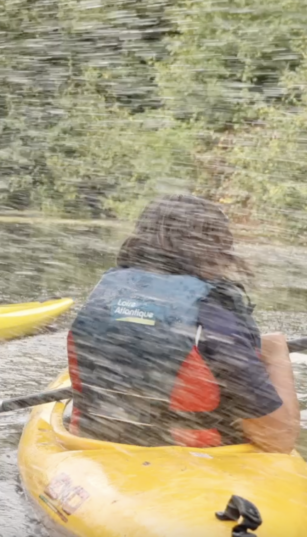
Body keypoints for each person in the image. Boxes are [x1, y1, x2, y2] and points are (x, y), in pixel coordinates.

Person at [67, 194, 300, 452]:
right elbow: (278, 439)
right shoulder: (214, 316)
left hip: (95, 444)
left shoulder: (110, 292)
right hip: (191, 461)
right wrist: (277, 353)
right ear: (216, 247)